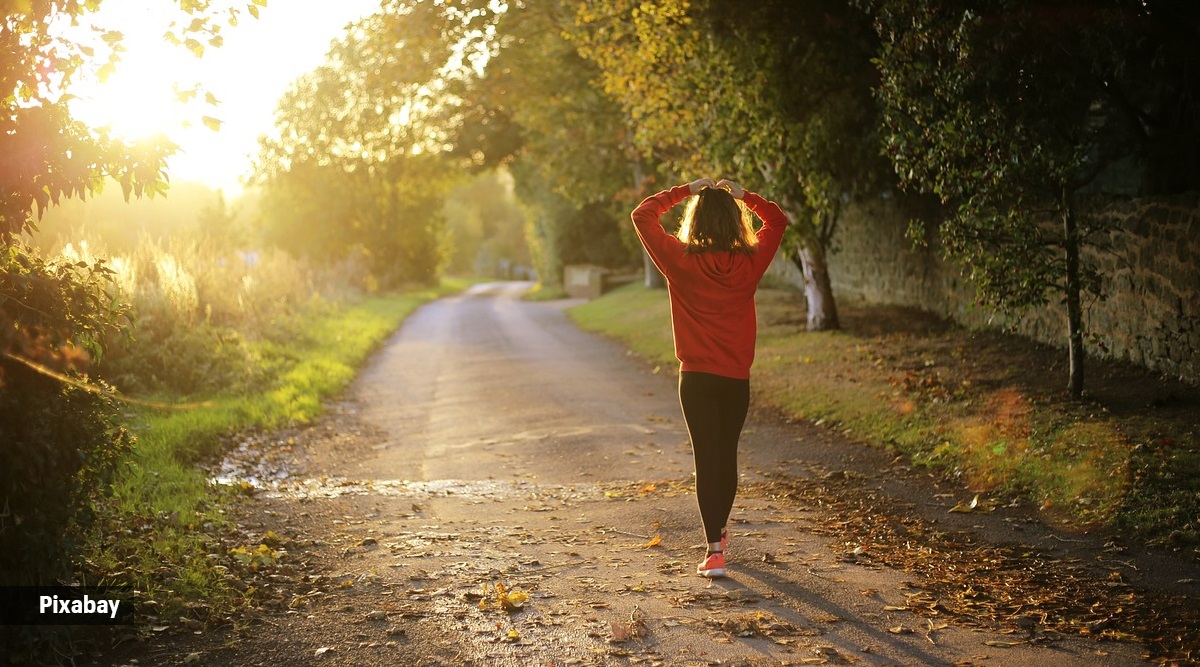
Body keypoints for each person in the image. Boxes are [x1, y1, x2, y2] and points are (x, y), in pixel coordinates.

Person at [631, 177, 788, 578]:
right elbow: (778, 220)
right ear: (736, 222)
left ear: (695, 221)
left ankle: (714, 549)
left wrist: (685, 190)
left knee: (707, 458)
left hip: (696, 379)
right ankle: (718, 532)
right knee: (727, 456)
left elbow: (642, 215)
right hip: (735, 378)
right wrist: (745, 196)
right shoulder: (751, 261)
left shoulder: (679, 260)